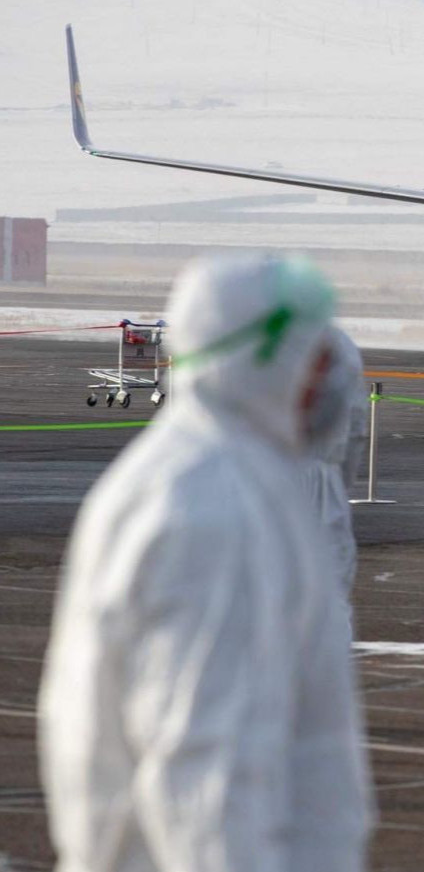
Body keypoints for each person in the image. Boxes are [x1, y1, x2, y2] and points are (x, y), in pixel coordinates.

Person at [39, 254, 373, 872]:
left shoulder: (226, 474)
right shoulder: (211, 508)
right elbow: (204, 770)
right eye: (312, 357)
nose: (332, 383)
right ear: (259, 358)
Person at [302, 325, 369, 618]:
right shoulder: (337, 342)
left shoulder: (231, 329)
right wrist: (338, 485)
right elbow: (356, 427)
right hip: (322, 475)